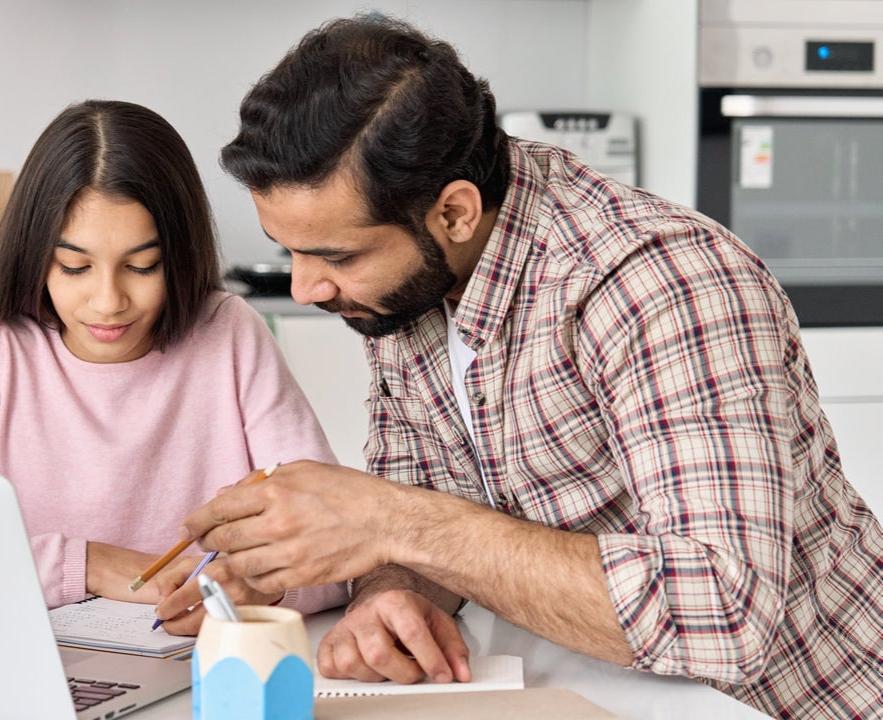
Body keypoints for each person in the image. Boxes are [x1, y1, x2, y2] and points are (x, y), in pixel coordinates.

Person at [178, 15, 883, 718]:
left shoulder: (660, 283)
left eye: (337, 256)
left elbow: (724, 614)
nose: (306, 289)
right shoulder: (407, 288)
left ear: (454, 212)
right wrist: (393, 596)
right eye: (290, 249)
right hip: (596, 692)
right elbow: (427, 502)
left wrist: (390, 523)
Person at [0, 100, 347, 632]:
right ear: (36, 257)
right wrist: (85, 565)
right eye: (75, 266)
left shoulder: (228, 332)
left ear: (179, 255)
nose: (108, 301)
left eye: (141, 266)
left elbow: (335, 546)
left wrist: (259, 584)